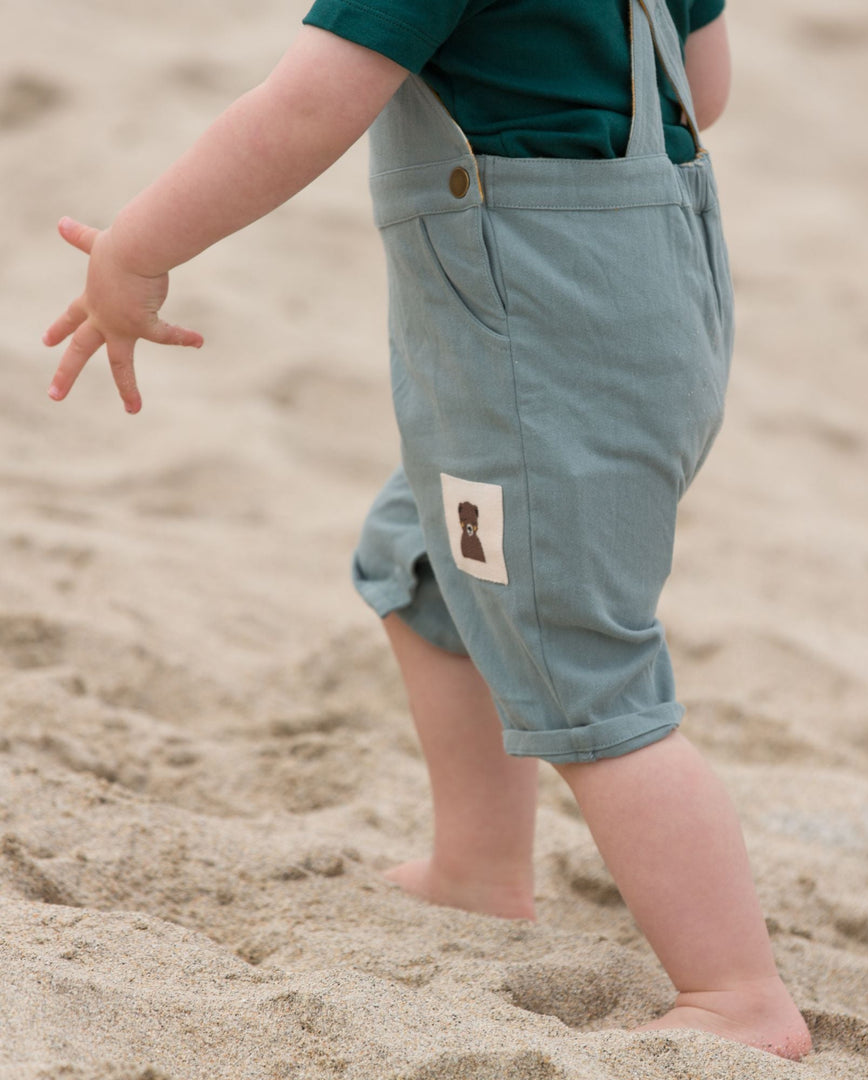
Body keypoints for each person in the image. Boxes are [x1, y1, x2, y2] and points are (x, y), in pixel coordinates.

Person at [42, 0, 813, 1061]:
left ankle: (737, 992)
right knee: (428, 561)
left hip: (541, 337)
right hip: (656, 302)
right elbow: (701, 90)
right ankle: (478, 870)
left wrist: (136, 250)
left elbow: (308, 106)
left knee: (578, 655)